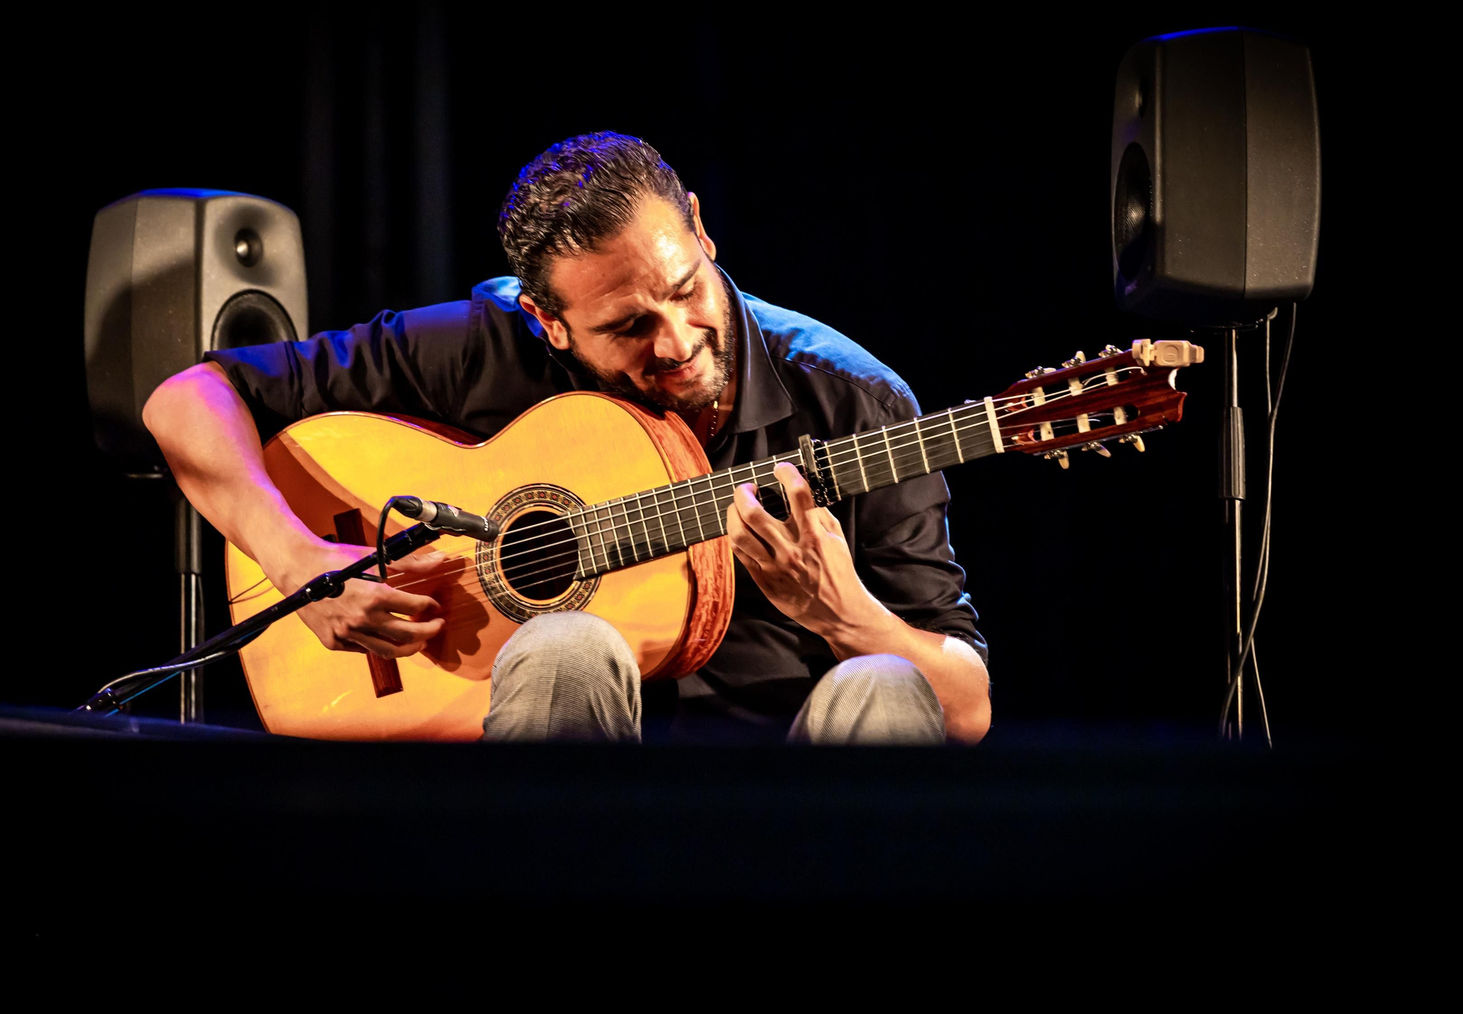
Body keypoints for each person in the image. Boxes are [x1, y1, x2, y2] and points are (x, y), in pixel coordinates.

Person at [143, 132, 990, 745]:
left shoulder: (856, 399)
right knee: (566, 644)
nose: (676, 341)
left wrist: (843, 614)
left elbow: (966, 708)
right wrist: (295, 559)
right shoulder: (487, 345)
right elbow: (188, 397)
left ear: (698, 228)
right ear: (546, 320)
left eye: (686, 289)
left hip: (775, 796)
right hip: (548, 792)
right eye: (625, 326)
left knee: (882, 684)